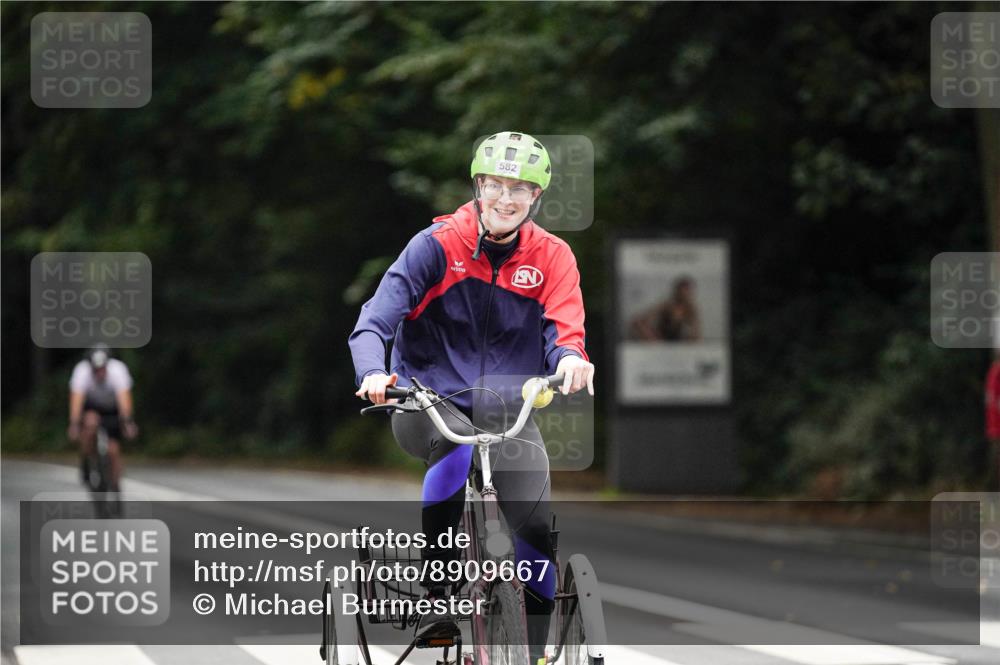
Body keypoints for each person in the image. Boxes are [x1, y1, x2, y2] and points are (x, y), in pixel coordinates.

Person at [349, 131, 594, 663]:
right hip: (426, 401)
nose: (506, 198)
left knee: (533, 523)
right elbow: (373, 322)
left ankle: (533, 652)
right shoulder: (435, 246)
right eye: (496, 185)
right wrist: (373, 372)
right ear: (478, 186)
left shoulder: (553, 257)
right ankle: (438, 594)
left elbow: (564, 331)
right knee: (456, 448)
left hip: (508, 411)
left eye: (520, 188)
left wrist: (570, 360)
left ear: (536, 197)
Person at [67, 344, 138, 493]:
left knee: (113, 449)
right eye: (96, 369)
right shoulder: (82, 372)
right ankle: (87, 460)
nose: (100, 373)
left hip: (112, 408)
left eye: (102, 368)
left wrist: (128, 421)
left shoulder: (118, 371)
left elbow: (124, 399)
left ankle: (115, 481)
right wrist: (74, 423)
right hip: (91, 406)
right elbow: (77, 401)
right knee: (90, 425)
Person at [628, 275, 702, 342]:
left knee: (695, 338)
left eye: (687, 291)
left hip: (678, 340)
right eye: (682, 291)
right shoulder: (667, 305)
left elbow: (696, 331)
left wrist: (692, 337)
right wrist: (650, 332)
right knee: (638, 322)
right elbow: (642, 319)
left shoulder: (691, 309)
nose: (684, 294)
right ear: (677, 291)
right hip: (660, 339)